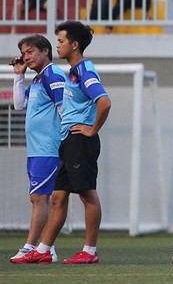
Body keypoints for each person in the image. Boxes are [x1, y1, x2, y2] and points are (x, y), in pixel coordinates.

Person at [13, 21, 111, 264]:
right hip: (68, 141)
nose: (57, 45)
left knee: (87, 195)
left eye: (61, 41)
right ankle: (44, 249)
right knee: (57, 197)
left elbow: (104, 102)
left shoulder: (84, 71)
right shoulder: (72, 72)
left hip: (80, 140)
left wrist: (91, 129)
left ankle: (89, 252)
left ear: (74, 45)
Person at [9, 35, 65, 264]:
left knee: (39, 198)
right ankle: (47, 249)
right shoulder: (39, 80)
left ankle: (30, 247)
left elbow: (65, 108)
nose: (25, 56)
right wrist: (19, 77)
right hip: (36, 150)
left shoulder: (53, 75)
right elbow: (19, 105)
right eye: (23, 53)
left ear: (45, 51)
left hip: (48, 149)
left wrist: (66, 142)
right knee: (40, 198)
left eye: (30, 51)